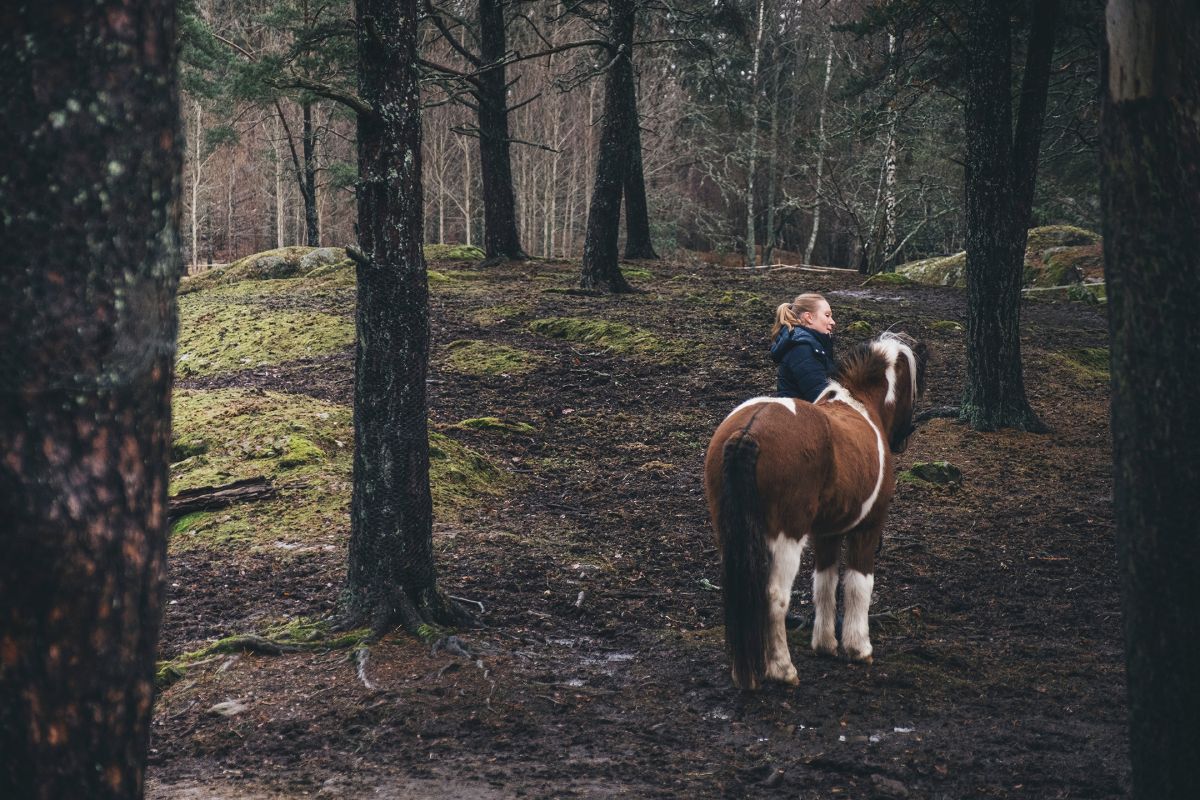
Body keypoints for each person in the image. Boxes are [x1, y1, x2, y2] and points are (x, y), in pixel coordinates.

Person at [770, 292, 836, 401]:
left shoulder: (809, 344)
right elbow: (821, 397)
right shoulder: (803, 349)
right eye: (827, 315)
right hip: (801, 416)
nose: (832, 322)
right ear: (808, 317)